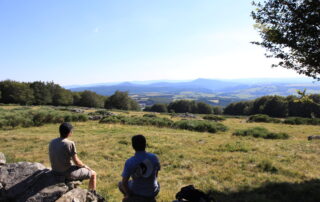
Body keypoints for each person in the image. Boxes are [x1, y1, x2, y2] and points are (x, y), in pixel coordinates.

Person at [49, 122, 97, 190]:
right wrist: (85, 166)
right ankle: (92, 195)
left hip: (55, 170)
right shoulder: (69, 143)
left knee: (77, 168)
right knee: (93, 174)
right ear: (69, 133)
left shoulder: (52, 141)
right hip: (66, 173)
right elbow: (77, 162)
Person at [119, 134, 161, 200]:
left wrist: (128, 194)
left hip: (136, 191)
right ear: (145, 144)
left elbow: (124, 182)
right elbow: (156, 175)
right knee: (157, 183)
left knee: (120, 184)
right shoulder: (154, 157)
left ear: (133, 146)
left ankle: (131, 198)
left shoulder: (130, 161)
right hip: (153, 191)